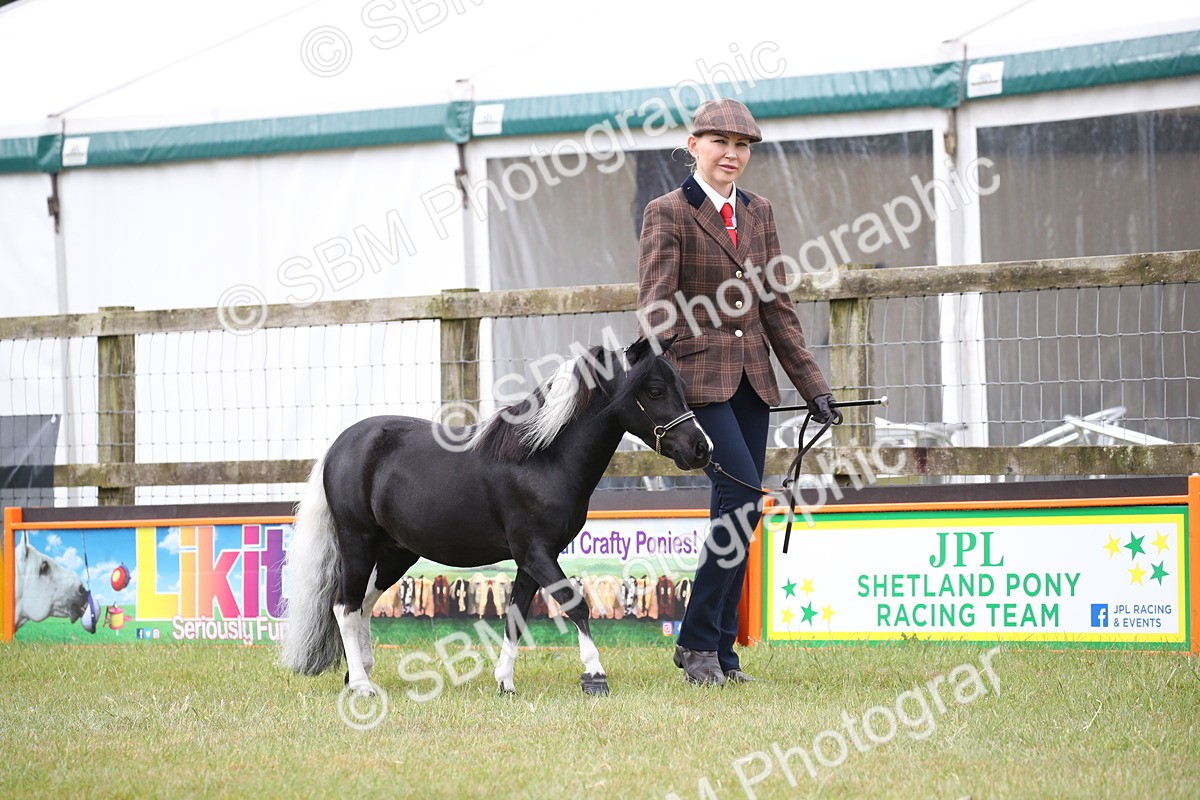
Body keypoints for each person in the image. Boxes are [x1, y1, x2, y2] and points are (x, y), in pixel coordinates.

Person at [637, 98, 840, 686]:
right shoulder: (667, 211)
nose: (732, 154)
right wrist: (670, 381)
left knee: (739, 512)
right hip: (697, 384)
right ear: (694, 144)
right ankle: (697, 642)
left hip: (753, 381)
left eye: (743, 145)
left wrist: (813, 386)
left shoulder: (760, 212)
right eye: (721, 142)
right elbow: (655, 306)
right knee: (743, 500)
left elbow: (776, 306)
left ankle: (722, 651)